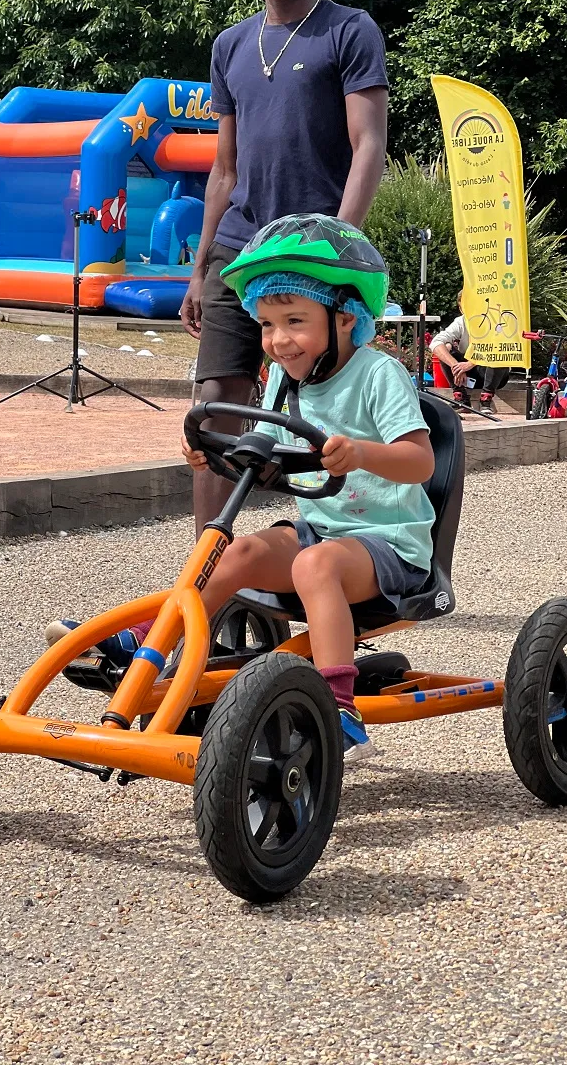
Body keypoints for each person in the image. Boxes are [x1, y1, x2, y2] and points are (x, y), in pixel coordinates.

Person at [45, 0, 388, 661]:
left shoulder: (348, 30)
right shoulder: (232, 45)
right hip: (240, 245)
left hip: (309, 249)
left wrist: (337, 242)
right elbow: (224, 167)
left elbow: (369, 147)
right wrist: (199, 268)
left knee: (330, 412)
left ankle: (341, 570)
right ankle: (205, 579)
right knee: (211, 414)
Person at [183, 214, 435, 758]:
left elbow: (420, 462)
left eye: (295, 321)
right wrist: (214, 453)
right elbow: (270, 448)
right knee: (237, 549)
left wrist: (362, 452)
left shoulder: (377, 375)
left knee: (312, 566)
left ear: (345, 317)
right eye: (268, 324)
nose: (278, 341)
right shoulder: (282, 379)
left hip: (388, 546)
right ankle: (166, 648)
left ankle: (338, 709)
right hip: (319, 529)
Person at [430, 290, 510, 415]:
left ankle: (486, 400)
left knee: (499, 353)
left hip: (494, 373)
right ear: (461, 309)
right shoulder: (460, 322)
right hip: (468, 375)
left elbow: (499, 345)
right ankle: (461, 397)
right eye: (465, 306)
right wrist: (455, 366)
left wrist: (470, 364)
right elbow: (436, 342)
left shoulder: (493, 319)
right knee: (446, 347)